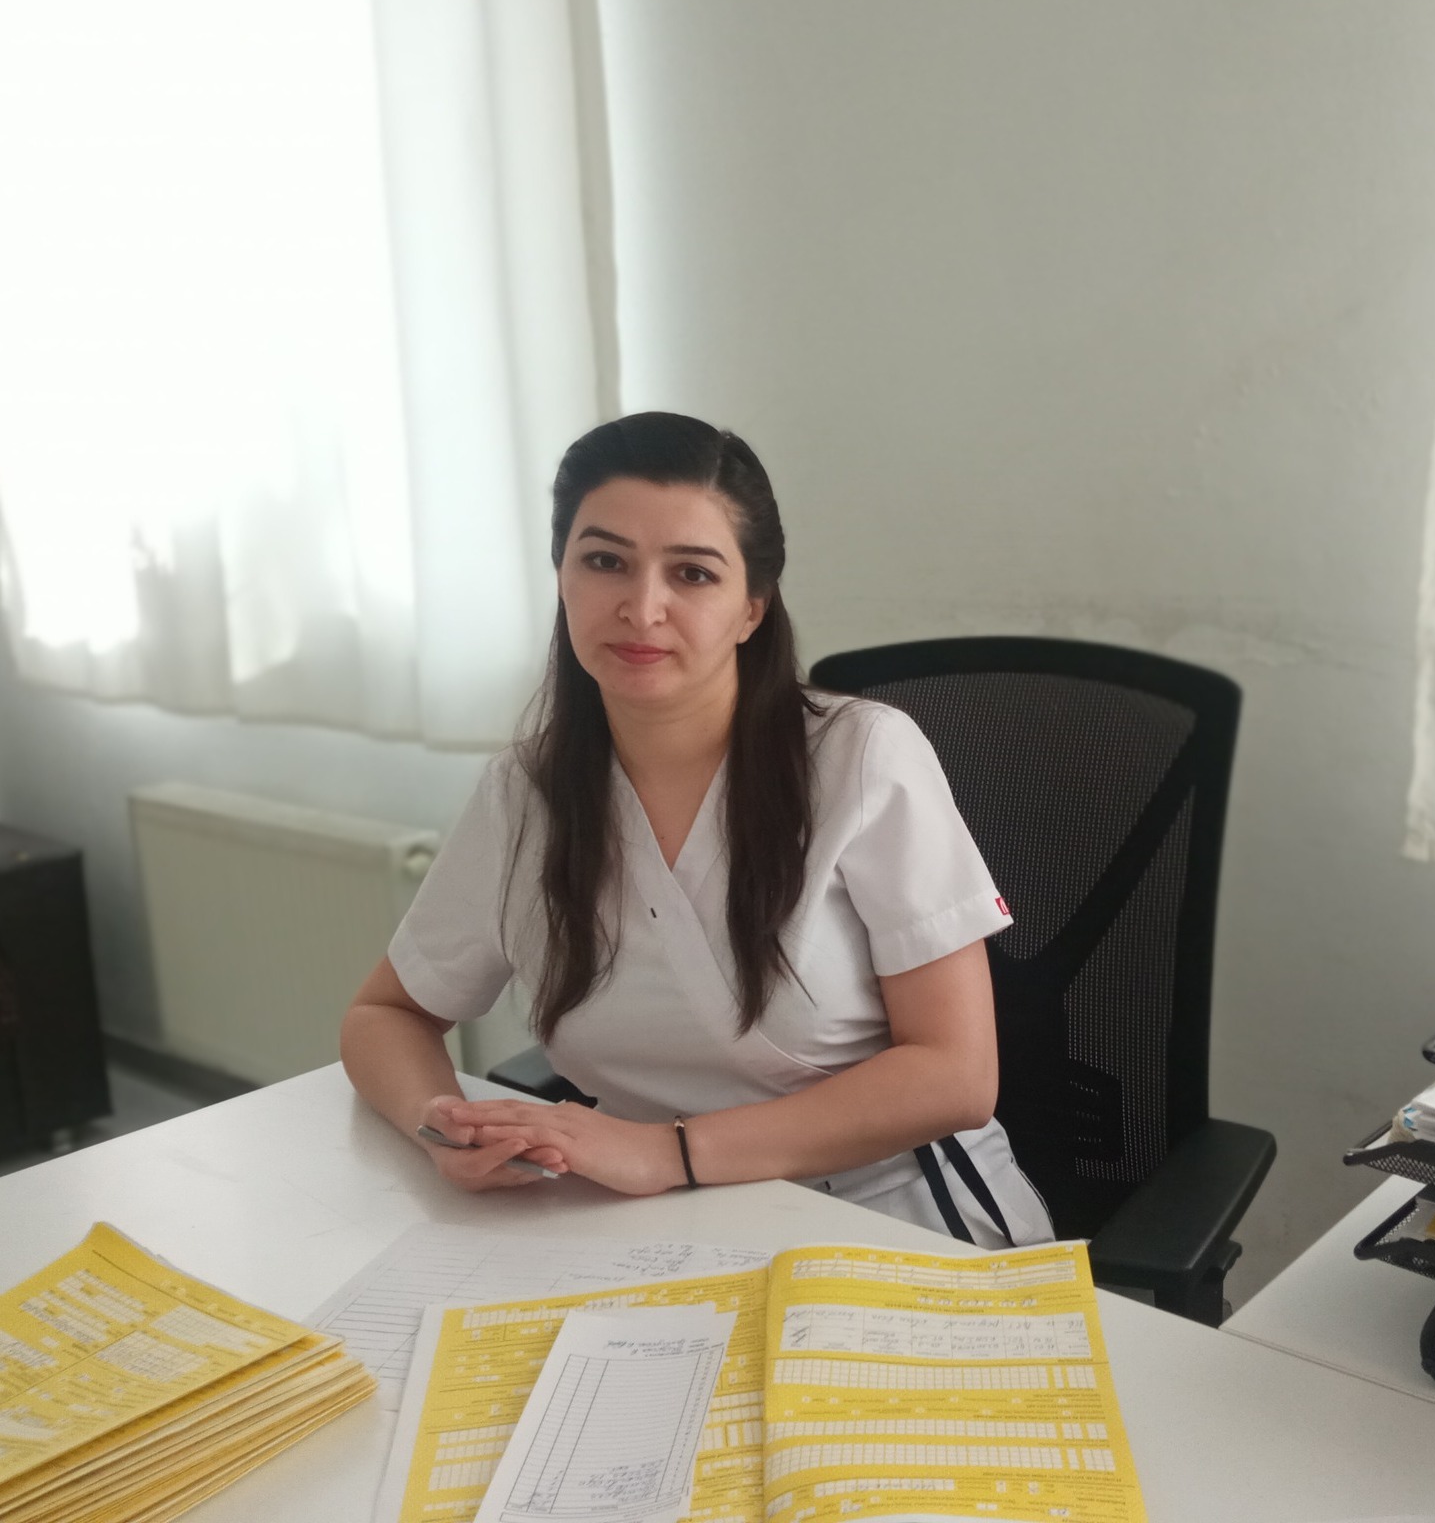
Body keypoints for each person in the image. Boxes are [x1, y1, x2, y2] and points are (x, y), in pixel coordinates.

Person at [339, 411, 1053, 1247]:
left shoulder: (860, 756)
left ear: (751, 608)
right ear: (562, 576)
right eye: (604, 561)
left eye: (692, 574)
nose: (642, 608)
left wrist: (666, 1152)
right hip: (647, 1219)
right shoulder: (525, 795)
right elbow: (385, 1014)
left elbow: (954, 1076)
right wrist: (440, 1125)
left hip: (889, 1208)